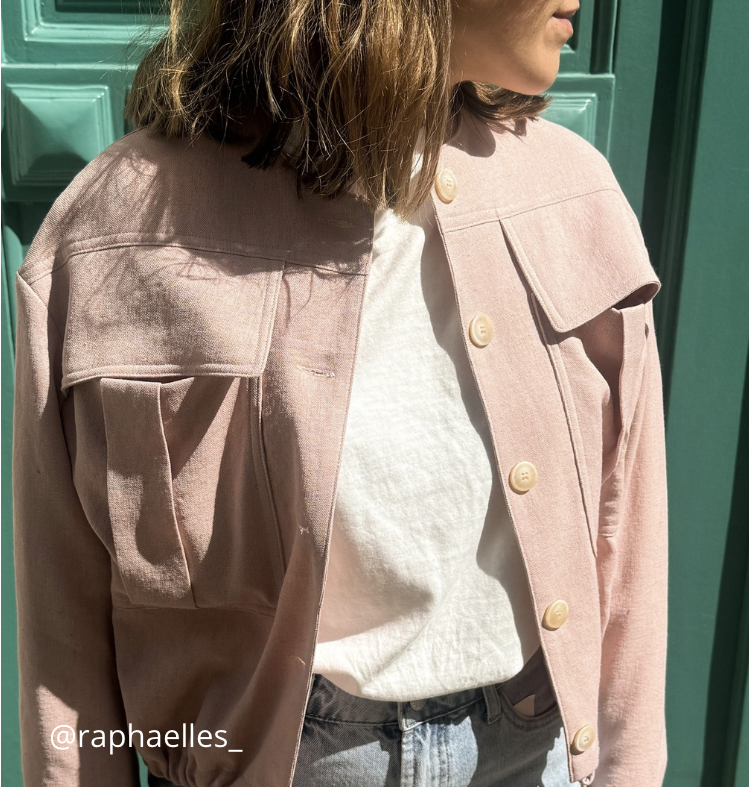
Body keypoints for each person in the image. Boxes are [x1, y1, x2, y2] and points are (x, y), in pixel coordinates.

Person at [11, 0, 669, 786]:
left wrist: (630, 770)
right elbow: (64, 614)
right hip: (272, 760)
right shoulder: (120, 232)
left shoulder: (569, 191)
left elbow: (627, 528)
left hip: (535, 745)